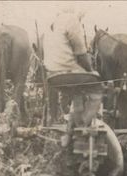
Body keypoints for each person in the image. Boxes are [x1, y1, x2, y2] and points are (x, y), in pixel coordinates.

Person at [43, 9, 102, 147]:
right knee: (97, 88)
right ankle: (81, 127)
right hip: (66, 73)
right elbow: (81, 54)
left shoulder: (53, 23)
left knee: (77, 95)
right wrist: (92, 71)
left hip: (52, 76)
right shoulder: (72, 20)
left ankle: (68, 134)